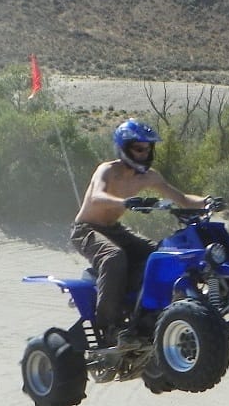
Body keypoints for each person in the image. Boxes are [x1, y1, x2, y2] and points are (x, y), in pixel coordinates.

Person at [70, 118, 211, 348]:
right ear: (124, 148)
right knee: (114, 257)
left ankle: (147, 314)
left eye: (148, 149)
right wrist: (126, 202)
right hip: (87, 229)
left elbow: (183, 199)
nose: (144, 153)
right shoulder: (108, 170)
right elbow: (97, 197)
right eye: (139, 148)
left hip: (116, 230)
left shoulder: (149, 176)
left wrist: (207, 202)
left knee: (159, 255)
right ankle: (108, 326)